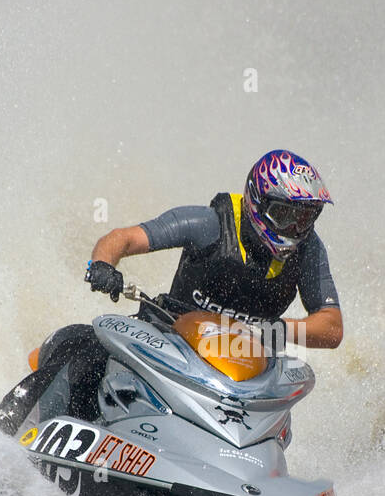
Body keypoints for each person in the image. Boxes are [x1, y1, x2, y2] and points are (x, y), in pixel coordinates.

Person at [84, 149, 343, 353]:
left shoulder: (308, 249)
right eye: (286, 215)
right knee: (78, 345)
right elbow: (122, 238)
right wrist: (103, 265)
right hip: (170, 344)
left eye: (306, 218)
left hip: (242, 363)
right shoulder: (208, 224)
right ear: (258, 202)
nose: (296, 229)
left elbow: (332, 328)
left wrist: (278, 330)